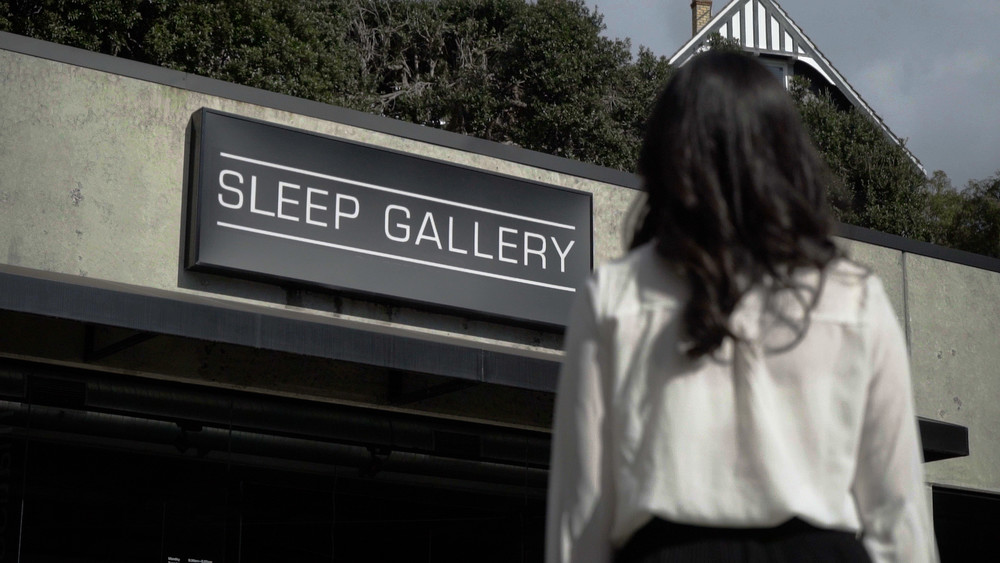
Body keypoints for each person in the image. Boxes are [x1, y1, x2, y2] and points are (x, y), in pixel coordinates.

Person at [545, 52, 938, 563]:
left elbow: (582, 513)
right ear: (787, 156)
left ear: (667, 156)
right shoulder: (855, 298)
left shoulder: (614, 296)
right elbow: (899, 514)